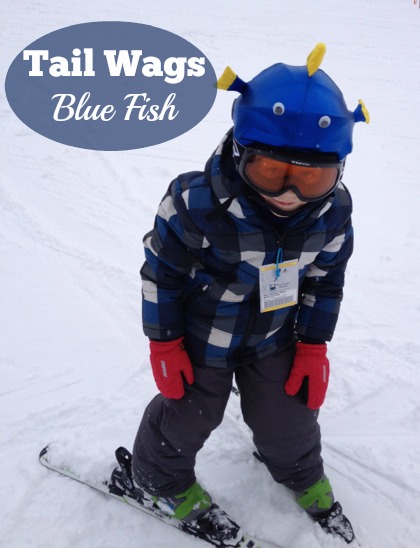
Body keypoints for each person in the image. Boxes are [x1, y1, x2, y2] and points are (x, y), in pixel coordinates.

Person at [130, 43, 369, 545]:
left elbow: (326, 282)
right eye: (272, 171)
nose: (290, 193)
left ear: (338, 170)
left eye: (311, 178)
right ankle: (158, 480)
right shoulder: (194, 204)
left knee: (289, 415)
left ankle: (298, 470)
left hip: (273, 337)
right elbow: (162, 275)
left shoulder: (333, 215)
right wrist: (165, 342)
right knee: (191, 414)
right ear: (241, 151)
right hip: (201, 340)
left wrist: (313, 345)